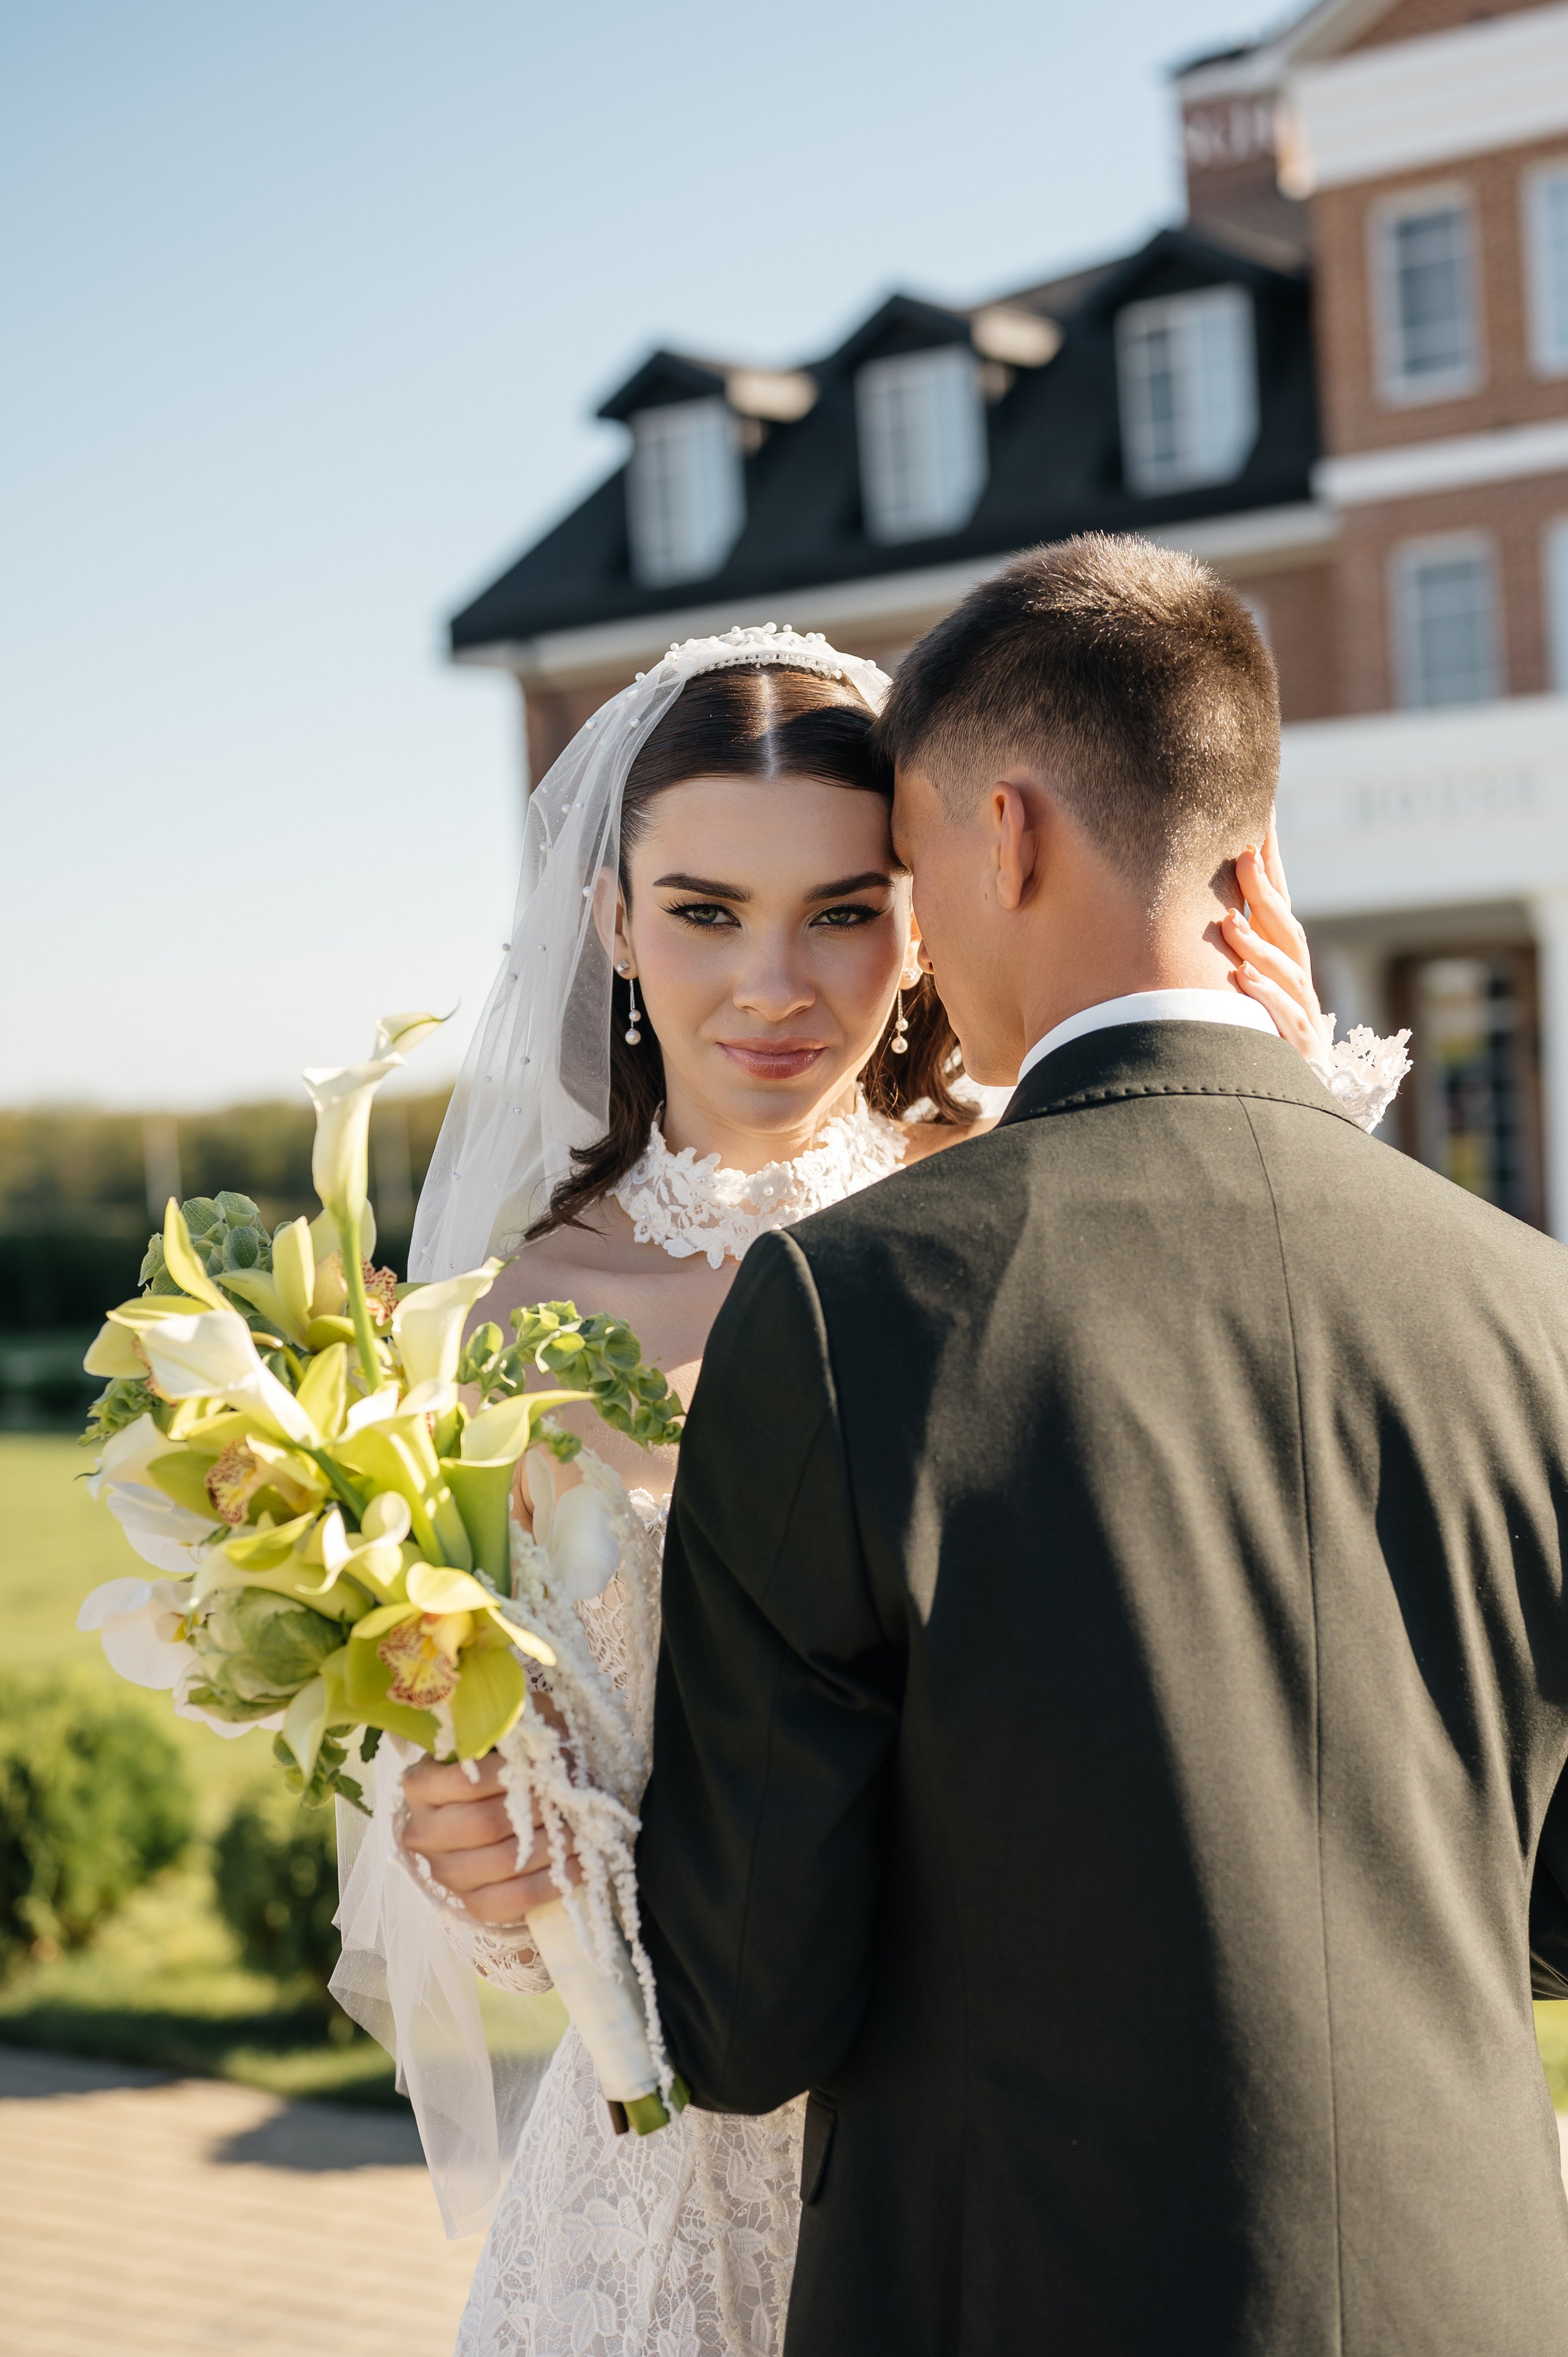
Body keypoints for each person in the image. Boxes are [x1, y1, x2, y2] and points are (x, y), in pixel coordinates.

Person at [374, 603, 1404, 2355]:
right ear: (612, 921)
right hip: (681, 2172)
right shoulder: (492, 1331)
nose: (775, 984)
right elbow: (509, 1822)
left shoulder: (1057, 1209)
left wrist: (1272, 1115)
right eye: (706, 913)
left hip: (1030, 2142)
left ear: (926, 918)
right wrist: (482, 1851)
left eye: (844, 911)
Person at [627, 540, 1568, 2356]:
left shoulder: (846, 1309)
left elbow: (747, 2014)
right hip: (1485, 2289)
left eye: (898, 870)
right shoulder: (1535, 1308)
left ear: (1006, 834)